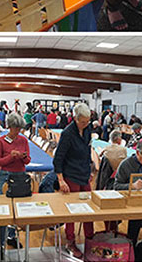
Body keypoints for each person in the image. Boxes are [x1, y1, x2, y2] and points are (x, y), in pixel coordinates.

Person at [53, 103, 93, 260]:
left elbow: (87, 150)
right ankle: (70, 242)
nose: (86, 124)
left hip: (84, 173)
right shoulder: (67, 133)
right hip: (70, 175)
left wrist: (90, 169)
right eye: (83, 121)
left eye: (88, 121)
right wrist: (61, 180)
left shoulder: (88, 129)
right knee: (72, 210)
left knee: (90, 208)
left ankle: (90, 239)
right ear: (75, 119)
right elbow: (58, 159)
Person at [0, 113, 30, 255]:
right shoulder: (1, 141)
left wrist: (24, 157)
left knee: (18, 210)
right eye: (15, 128)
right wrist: (11, 156)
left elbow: (27, 161)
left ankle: (11, 236)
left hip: (20, 176)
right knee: (4, 212)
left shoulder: (23, 140)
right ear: (9, 127)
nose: (18, 131)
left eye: (20, 128)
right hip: (6, 177)